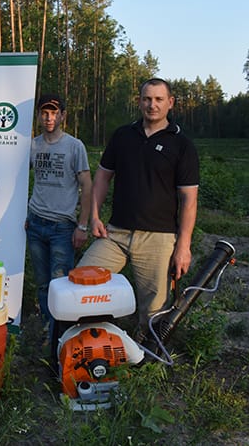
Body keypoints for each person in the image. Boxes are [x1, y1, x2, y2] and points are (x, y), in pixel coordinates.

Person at [78, 78, 199, 339]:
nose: (152, 105)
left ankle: (147, 360)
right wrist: (95, 217)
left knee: (154, 311)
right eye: (146, 99)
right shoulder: (123, 136)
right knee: (81, 282)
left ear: (170, 103)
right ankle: (94, 340)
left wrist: (183, 246)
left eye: (158, 99)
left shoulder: (182, 145)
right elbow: (102, 177)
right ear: (139, 101)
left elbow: (189, 199)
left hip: (158, 238)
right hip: (115, 234)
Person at [25, 94, 92, 359]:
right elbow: (17, 179)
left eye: (54, 113)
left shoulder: (75, 147)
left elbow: (87, 185)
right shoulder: (32, 146)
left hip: (63, 227)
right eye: (44, 113)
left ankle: (62, 336)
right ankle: (48, 331)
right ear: (39, 116)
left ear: (63, 115)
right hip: (36, 224)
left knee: (60, 284)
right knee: (42, 284)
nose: (49, 118)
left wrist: (83, 226)